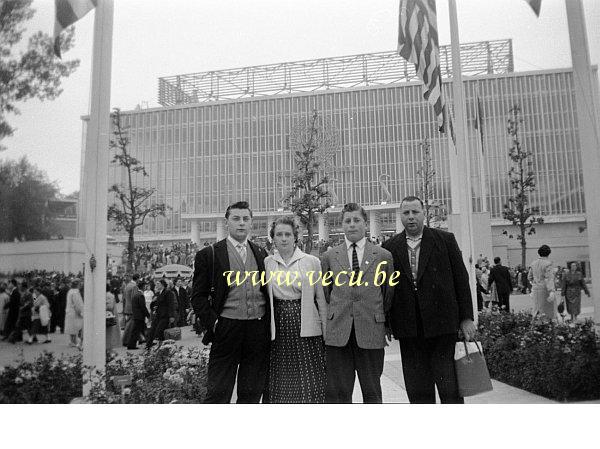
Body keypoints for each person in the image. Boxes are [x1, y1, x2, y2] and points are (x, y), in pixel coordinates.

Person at [382, 196, 476, 404]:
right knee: (418, 390)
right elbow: (386, 287)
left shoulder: (445, 240)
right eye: (406, 213)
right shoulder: (389, 247)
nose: (411, 217)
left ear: (424, 214)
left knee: (449, 387)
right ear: (401, 217)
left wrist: (466, 317)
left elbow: (461, 279)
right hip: (409, 329)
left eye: (415, 212)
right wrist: (387, 322)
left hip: (442, 327)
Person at [191, 201, 270, 404]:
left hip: (256, 328)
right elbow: (197, 296)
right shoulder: (209, 255)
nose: (241, 223)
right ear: (227, 223)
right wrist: (215, 323)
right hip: (227, 327)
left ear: (251, 223)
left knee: (252, 392)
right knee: (218, 392)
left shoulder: (262, 254)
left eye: (245, 219)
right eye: (236, 219)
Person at [320, 203, 395, 404]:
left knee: (372, 392)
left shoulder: (383, 256)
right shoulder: (329, 256)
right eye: (347, 221)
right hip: (339, 332)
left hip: (370, 330)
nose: (352, 225)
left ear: (365, 223)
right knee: (338, 393)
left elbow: (387, 293)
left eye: (356, 220)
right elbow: (327, 292)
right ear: (341, 224)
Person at [264, 216, 327, 403]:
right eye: (279, 234)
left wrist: (325, 332)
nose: (284, 238)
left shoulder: (311, 261)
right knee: (281, 374)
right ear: (273, 238)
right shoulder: (267, 262)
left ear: (295, 237)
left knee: (308, 375)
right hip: (279, 325)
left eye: (288, 234)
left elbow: (320, 299)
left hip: (305, 323)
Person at [145, 279, 175, 349]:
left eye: (158, 284)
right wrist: (153, 301)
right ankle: (148, 346)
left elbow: (171, 305)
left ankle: (162, 345)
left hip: (165, 315)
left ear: (162, 285)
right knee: (152, 330)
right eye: (156, 284)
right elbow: (152, 306)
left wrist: (171, 316)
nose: (156, 285)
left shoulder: (168, 292)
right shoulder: (157, 294)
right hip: (158, 315)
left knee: (159, 330)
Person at [528, 245, 556, 318]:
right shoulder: (548, 264)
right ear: (548, 253)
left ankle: (535, 327)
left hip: (535, 289)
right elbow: (549, 278)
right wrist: (552, 291)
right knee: (547, 312)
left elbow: (529, 277)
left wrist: (534, 284)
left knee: (536, 310)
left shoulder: (533, 263)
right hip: (545, 290)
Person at [128, 281, 150, 350]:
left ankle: (149, 342)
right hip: (140, 316)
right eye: (145, 286)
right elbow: (143, 306)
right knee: (137, 331)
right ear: (143, 287)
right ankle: (131, 345)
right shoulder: (140, 295)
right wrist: (148, 315)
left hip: (136, 315)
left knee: (142, 330)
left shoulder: (136, 294)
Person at [65, 279, 84, 349]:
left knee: (71, 326)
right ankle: (73, 341)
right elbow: (77, 303)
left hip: (69, 311)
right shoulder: (76, 292)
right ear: (78, 284)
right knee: (75, 326)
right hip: (74, 312)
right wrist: (80, 312)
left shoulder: (70, 291)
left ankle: (72, 341)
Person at [106, 284, 121, 352]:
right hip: (111, 314)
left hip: (109, 315)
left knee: (110, 332)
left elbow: (110, 306)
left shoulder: (108, 295)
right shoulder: (110, 295)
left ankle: (110, 346)